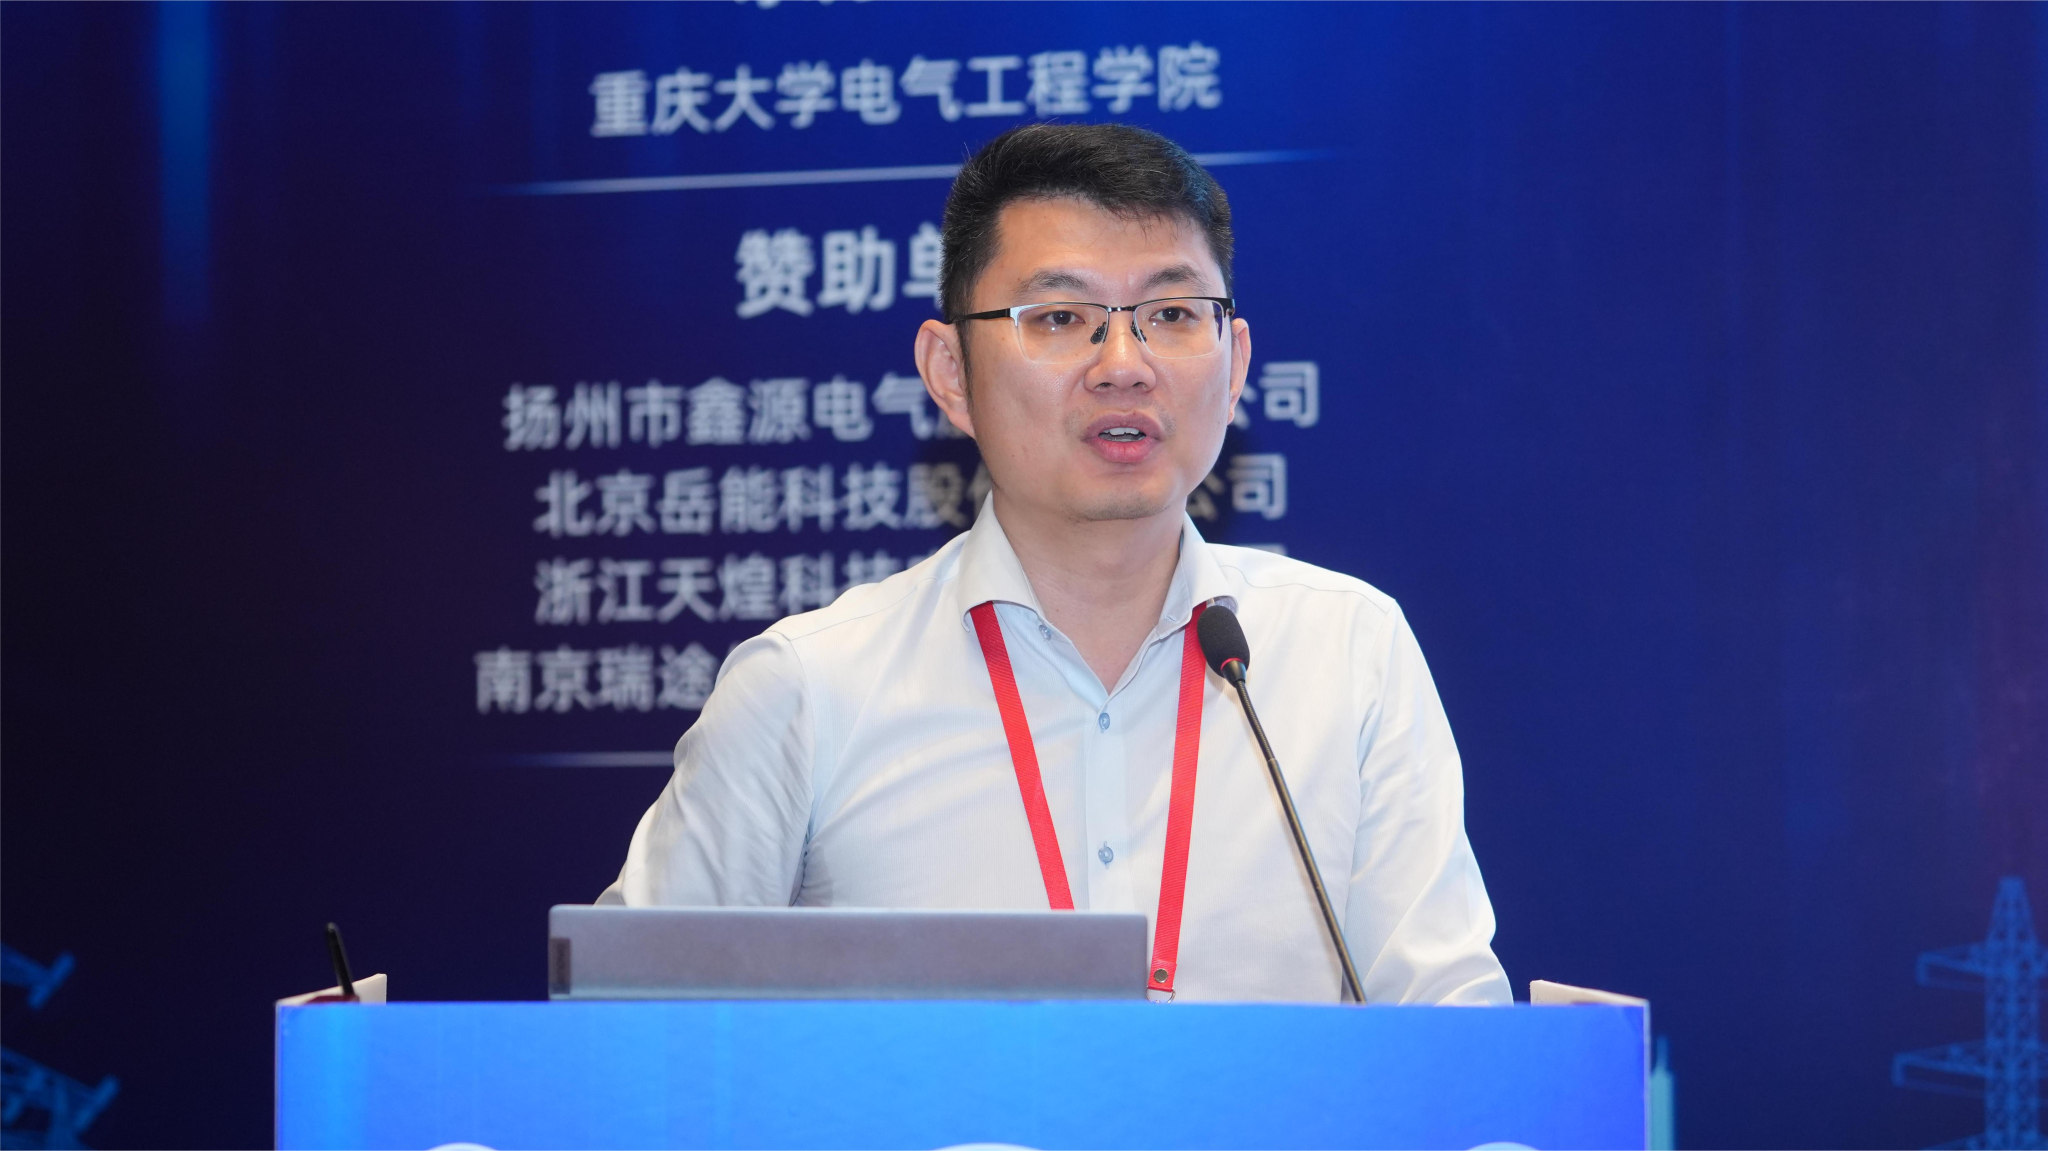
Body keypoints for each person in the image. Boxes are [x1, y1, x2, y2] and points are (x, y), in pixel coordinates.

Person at [600, 123, 1510, 1005]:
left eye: (1172, 314)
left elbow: (1453, 1031)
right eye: (1062, 317)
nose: (1124, 365)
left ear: (1234, 366)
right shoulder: (809, 687)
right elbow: (625, 1028)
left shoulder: (1349, 652)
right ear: (950, 371)